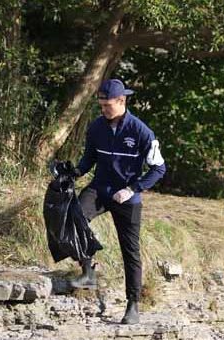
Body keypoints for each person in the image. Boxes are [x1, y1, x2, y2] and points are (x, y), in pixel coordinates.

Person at [70, 78, 166, 325]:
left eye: (107, 105)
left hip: (127, 196)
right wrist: (76, 172)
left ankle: (133, 305)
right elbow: (88, 159)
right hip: (100, 189)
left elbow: (159, 169)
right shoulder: (96, 127)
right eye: (100, 105)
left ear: (122, 101)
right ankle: (88, 272)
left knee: (130, 252)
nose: (103, 110)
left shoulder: (141, 132)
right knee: (75, 216)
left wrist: (133, 189)